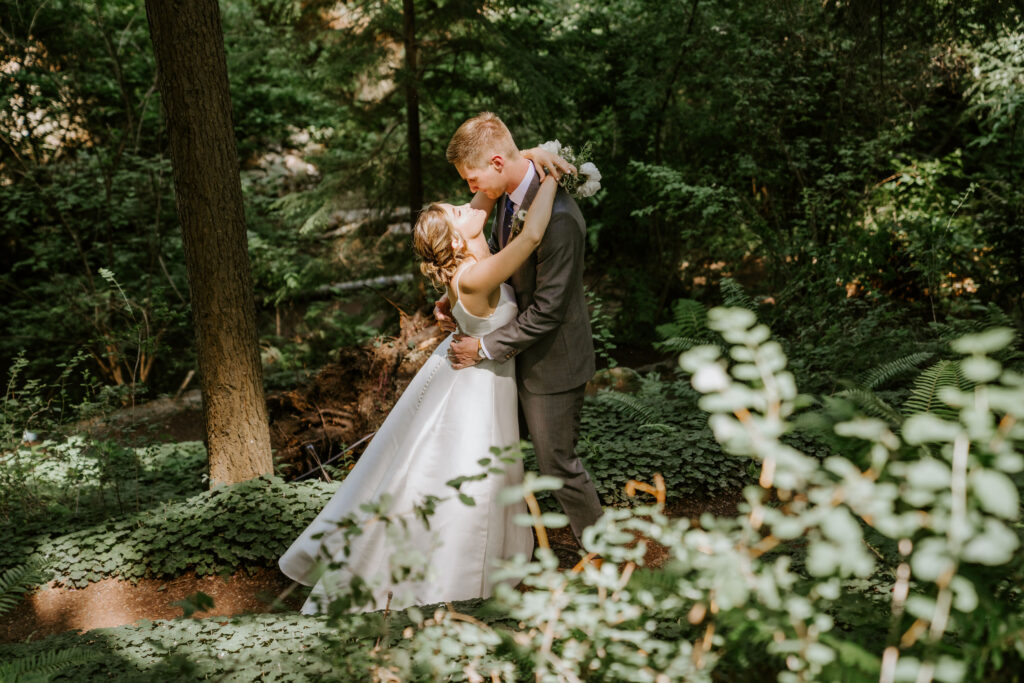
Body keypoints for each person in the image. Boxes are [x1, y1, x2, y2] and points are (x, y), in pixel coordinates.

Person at [278, 155, 565, 615]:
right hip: (478, 387)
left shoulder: (463, 265)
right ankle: (460, 572)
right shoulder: (473, 277)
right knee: (468, 473)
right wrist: (553, 177)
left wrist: (527, 157)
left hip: (472, 376)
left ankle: (490, 566)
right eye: (456, 210)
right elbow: (531, 236)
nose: (466, 205)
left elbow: (485, 198)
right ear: (455, 236)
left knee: (444, 467)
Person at [441, 113, 604, 548]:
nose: (471, 191)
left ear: (496, 163)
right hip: (511, 361)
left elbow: (549, 311)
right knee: (496, 454)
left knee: (558, 465)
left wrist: (484, 346)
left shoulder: (561, 219)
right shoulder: (509, 195)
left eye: (473, 179)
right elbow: (505, 267)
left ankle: (607, 555)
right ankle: (498, 547)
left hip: (553, 362)